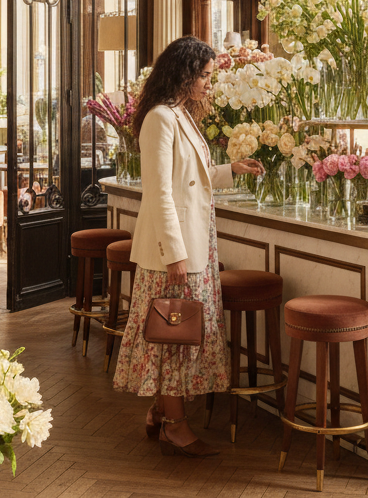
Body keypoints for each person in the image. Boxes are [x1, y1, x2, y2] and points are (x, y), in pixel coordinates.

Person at [112, 35, 263, 457]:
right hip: (172, 250)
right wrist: (174, 254)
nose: (209, 85)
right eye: (205, 76)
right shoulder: (160, 118)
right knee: (176, 336)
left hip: (192, 241)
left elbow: (189, 176)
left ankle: (162, 414)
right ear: (183, 74)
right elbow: (159, 192)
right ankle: (175, 427)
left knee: (177, 333)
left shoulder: (179, 114)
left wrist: (230, 169)